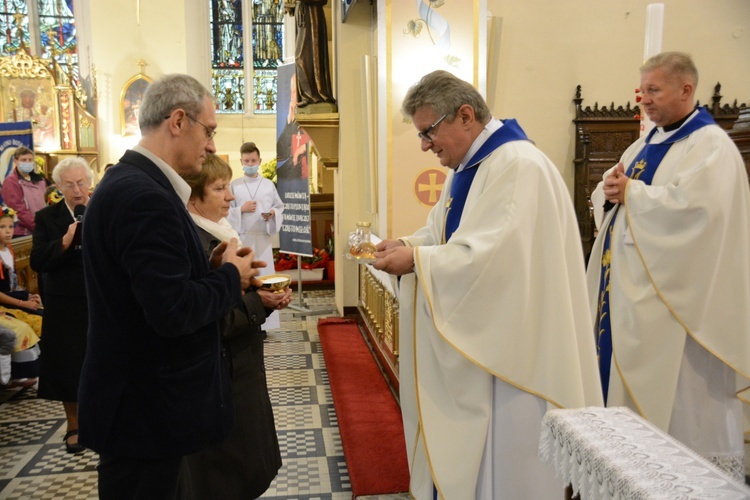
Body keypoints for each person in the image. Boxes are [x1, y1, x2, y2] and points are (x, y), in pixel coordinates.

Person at [372, 70, 602, 499]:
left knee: (508, 474)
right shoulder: (470, 167)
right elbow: (446, 235)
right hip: (488, 349)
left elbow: (493, 262)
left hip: (514, 360)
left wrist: (417, 260)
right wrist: (408, 245)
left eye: (428, 132)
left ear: (464, 115)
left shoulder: (517, 166)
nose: (425, 145)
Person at [78, 74, 260, 499]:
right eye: (209, 130)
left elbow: (149, 290)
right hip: (146, 411)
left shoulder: (132, 184)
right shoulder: (145, 196)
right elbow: (172, 310)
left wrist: (209, 267)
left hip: (139, 407)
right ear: (178, 121)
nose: (212, 145)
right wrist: (231, 277)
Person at [587, 51, 750, 481]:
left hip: (679, 313)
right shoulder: (645, 143)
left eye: (654, 90)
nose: (645, 100)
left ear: (686, 89)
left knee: (682, 411)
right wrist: (606, 191)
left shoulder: (711, 147)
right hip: (629, 305)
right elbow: (615, 195)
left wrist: (634, 195)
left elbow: (700, 214)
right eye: (643, 91)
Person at [179, 154, 289, 499]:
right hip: (222, 375)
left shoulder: (219, 233)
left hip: (239, 368)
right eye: (220, 188)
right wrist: (260, 302)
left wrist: (263, 299)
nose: (230, 197)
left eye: (229, 187)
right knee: (228, 471)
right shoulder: (199, 243)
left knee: (245, 463)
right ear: (192, 197)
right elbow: (215, 317)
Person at [30, 157, 94, 454]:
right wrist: (65, 243)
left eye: (81, 182)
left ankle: (104, 419)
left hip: (98, 298)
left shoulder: (102, 211)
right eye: (69, 184)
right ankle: (74, 424)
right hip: (64, 302)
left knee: (101, 360)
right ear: (58, 187)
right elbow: (37, 260)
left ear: (90, 183)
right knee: (69, 365)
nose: (77, 190)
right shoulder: (47, 218)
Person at [227, 142, 284, 331]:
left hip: (263, 239)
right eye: (246, 160)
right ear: (241, 161)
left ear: (259, 161)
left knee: (265, 278)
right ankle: (248, 321)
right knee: (247, 278)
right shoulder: (234, 185)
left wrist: (272, 214)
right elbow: (226, 211)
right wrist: (240, 210)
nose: (250, 163)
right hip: (244, 238)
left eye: (253, 160)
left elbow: (278, 206)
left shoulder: (268, 185)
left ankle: (266, 325)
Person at [0, 206, 42, 389]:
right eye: (2, 227)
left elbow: (14, 283)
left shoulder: (9, 250)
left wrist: (30, 296)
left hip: (12, 297)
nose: (8, 231)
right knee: (22, 326)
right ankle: (20, 375)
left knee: (43, 315)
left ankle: (43, 368)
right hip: (3, 303)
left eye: (10, 227)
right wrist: (22, 302)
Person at [291, 0, 336, 109]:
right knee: (301, 56)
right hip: (303, 11)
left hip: (311, 13)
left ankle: (315, 95)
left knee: (302, 56)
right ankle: (308, 96)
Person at [2, 146, 49, 237]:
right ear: (15, 161)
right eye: (23, 160)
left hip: (44, 227)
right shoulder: (11, 181)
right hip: (24, 231)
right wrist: (37, 227)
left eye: (30, 160)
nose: (27, 163)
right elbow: (19, 209)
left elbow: (48, 201)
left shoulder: (40, 180)